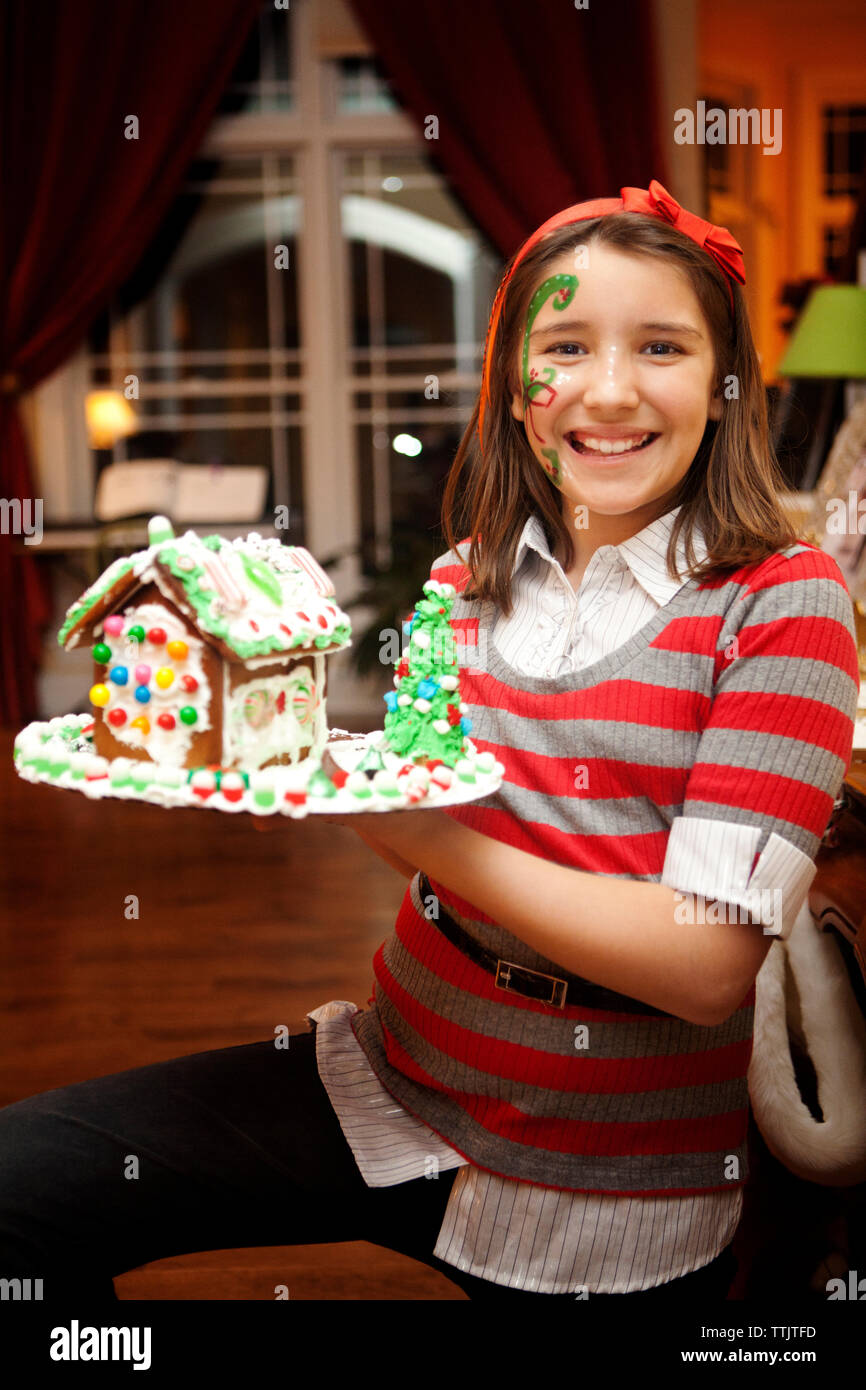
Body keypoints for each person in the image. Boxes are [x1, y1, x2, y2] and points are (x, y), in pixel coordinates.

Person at [0, 180, 858, 1305]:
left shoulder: (781, 604)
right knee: (22, 1189)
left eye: (659, 344)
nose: (606, 389)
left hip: (607, 1184)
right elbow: (416, 795)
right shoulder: (466, 576)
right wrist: (281, 768)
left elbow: (701, 969)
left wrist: (401, 822)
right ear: (514, 389)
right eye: (563, 345)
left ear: (722, 380)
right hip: (393, 1082)